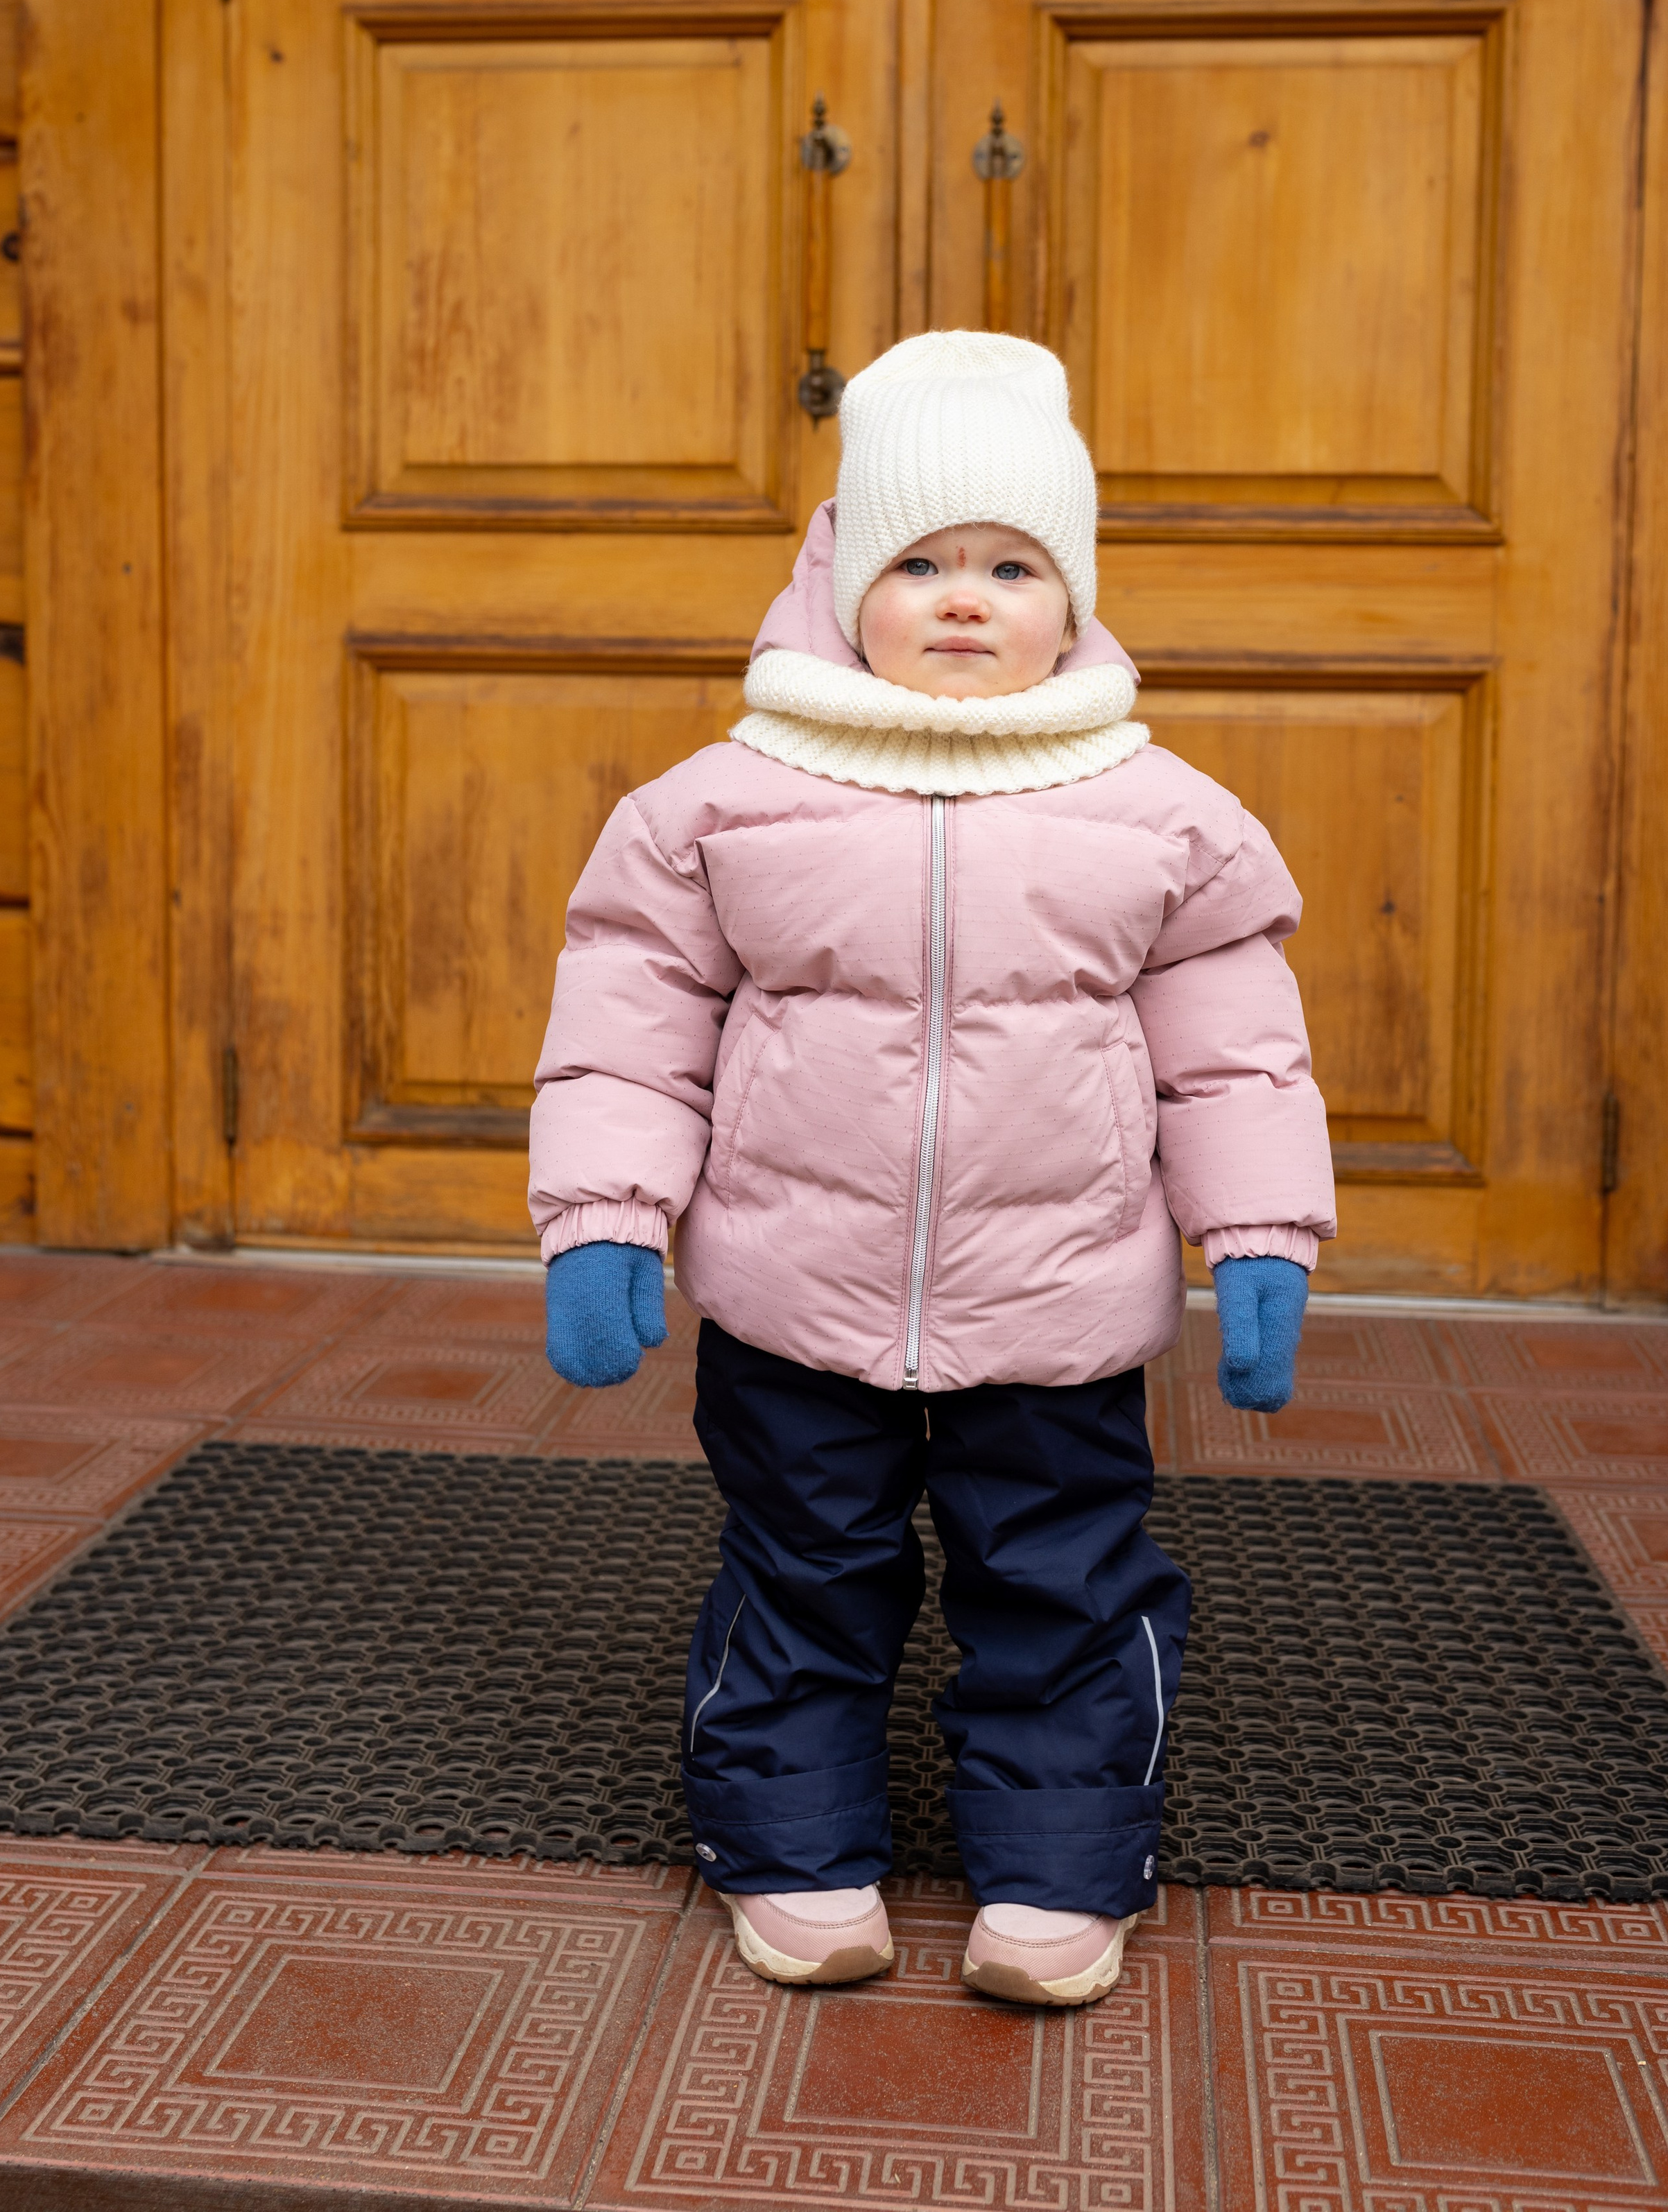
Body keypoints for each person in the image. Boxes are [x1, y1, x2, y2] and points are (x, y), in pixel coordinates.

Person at [530, 331, 1334, 2006]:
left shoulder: (1160, 814)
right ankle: (790, 1845)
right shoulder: (719, 804)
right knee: (803, 1566)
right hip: (787, 1289)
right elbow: (629, 1012)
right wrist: (604, 1214)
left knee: (1057, 1576)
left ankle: (1056, 1865)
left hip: (1052, 1305)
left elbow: (1236, 1044)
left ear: (1075, 596)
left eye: (1010, 565)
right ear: (840, 583)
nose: (963, 599)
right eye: (918, 562)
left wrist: (1255, 1234)